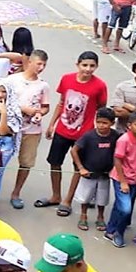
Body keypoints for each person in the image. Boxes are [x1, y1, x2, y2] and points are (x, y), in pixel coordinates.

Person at [39, 52, 107, 219]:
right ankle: (56, 195)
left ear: (96, 67)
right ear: (78, 64)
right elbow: (62, 102)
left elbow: (101, 109)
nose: (88, 69)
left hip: (84, 134)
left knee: (79, 167)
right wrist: (52, 124)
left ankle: (68, 200)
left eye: (92, 66)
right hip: (62, 129)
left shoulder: (100, 86)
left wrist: (96, 132)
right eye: (85, 65)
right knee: (55, 163)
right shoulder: (66, 79)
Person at [7, 49, 51, 209]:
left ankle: (16, 193)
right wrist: (23, 108)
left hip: (32, 129)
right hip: (10, 127)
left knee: (26, 162)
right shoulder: (12, 80)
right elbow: (2, 101)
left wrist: (39, 113)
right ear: (30, 62)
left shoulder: (43, 85)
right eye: (39, 63)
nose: (41, 67)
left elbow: (45, 107)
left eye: (44, 65)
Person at [71, 108, 118, 231]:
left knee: (102, 197)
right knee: (85, 197)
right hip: (89, 173)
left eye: (105, 123)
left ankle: (100, 217)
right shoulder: (89, 136)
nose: (101, 125)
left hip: (105, 174)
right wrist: (81, 168)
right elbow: (74, 150)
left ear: (112, 123)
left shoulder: (116, 136)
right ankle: (83, 215)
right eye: (99, 122)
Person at [105, 111, 136, 247]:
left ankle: (110, 229)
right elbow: (117, 160)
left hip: (134, 178)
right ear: (129, 126)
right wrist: (122, 181)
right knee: (126, 209)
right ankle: (118, 234)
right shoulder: (124, 140)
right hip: (121, 178)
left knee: (120, 205)